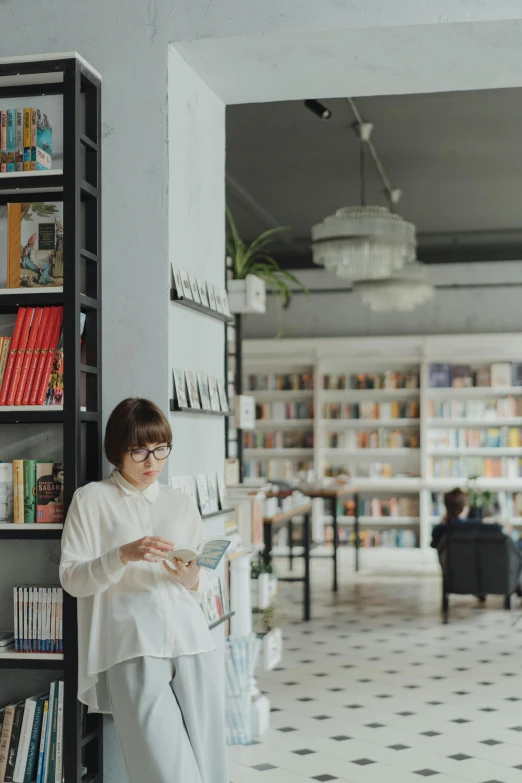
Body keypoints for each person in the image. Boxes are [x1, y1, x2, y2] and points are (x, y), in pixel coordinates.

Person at [59, 398, 228, 783]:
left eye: (160, 450)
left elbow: (204, 580)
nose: (152, 462)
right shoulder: (91, 500)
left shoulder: (181, 503)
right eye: (139, 451)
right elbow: (72, 578)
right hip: (132, 646)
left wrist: (191, 577)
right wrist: (122, 554)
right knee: (164, 772)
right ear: (117, 450)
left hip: (193, 643)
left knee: (211, 769)